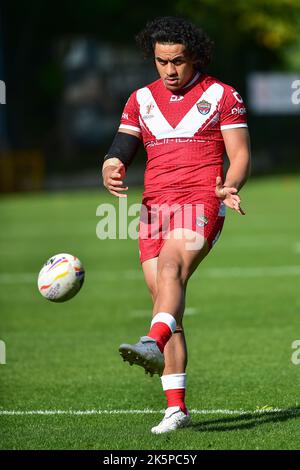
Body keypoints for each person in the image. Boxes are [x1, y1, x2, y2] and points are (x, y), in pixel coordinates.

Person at [102, 16, 251, 434]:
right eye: (161, 61)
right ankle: (176, 408)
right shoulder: (139, 99)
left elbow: (239, 154)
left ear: (194, 57)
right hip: (153, 208)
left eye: (178, 62)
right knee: (166, 306)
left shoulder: (222, 95)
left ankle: (151, 342)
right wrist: (110, 166)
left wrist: (231, 185)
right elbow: (122, 147)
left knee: (171, 271)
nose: (169, 70)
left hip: (202, 199)